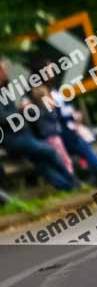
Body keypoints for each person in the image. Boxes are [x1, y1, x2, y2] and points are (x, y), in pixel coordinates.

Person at [0, 59, 77, 191]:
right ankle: (74, 182)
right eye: (3, 68)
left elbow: (28, 108)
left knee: (41, 164)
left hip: (25, 134)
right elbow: (2, 118)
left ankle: (67, 187)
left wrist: (26, 107)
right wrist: (19, 111)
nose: (6, 71)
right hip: (13, 139)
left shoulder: (9, 89)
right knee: (50, 151)